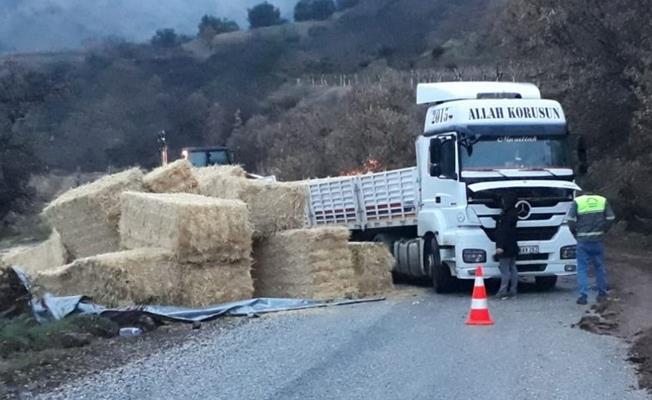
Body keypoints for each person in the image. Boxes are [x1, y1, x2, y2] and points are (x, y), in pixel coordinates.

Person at [565, 192, 616, 305]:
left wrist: (575, 234)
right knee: (599, 267)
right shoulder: (602, 200)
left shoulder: (578, 201)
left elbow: (570, 220)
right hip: (598, 239)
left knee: (582, 269)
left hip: (582, 240)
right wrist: (604, 230)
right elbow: (611, 217)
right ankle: (602, 294)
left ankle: (583, 296)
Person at [495, 192, 520, 300]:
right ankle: (513, 291)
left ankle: (503, 291)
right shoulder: (514, 213)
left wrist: (500, 246)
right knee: (513, 268)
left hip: (505, 247)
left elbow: (502, 232)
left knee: (505, 270)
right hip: (513, 245)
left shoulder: (505, 216)